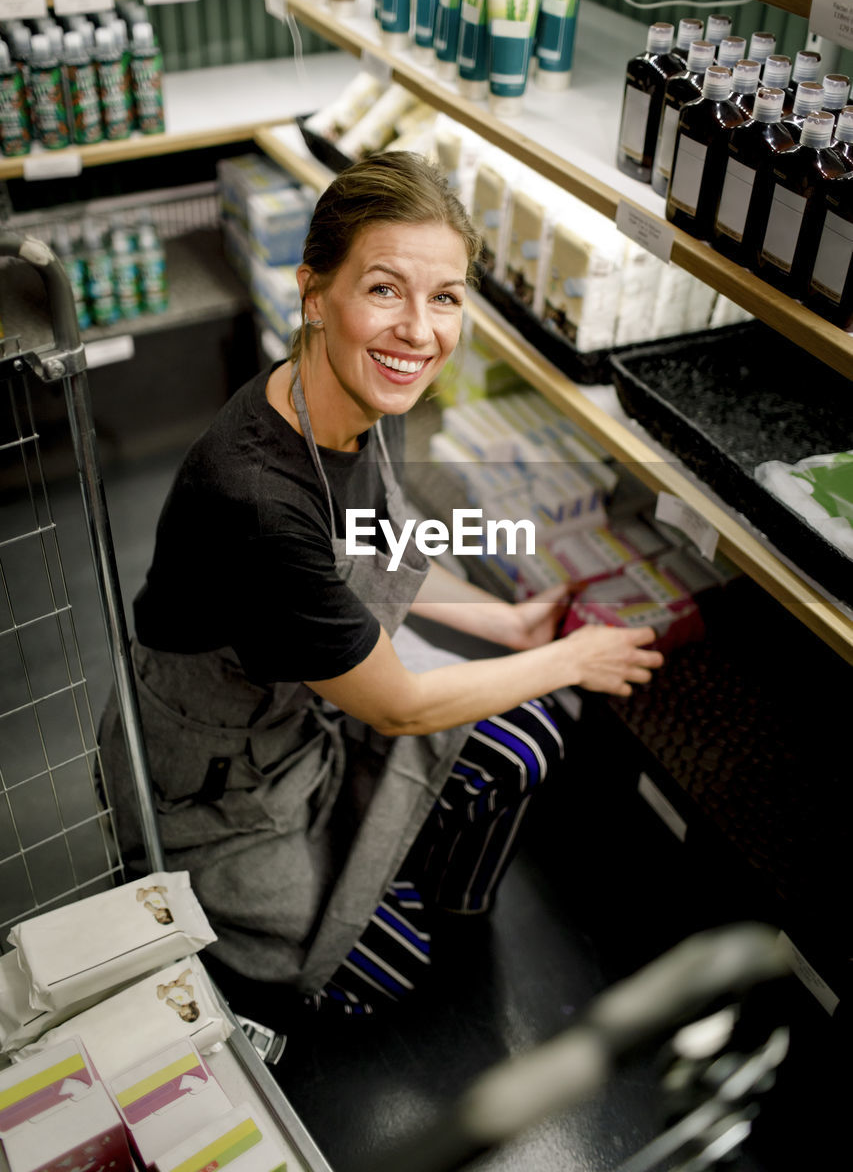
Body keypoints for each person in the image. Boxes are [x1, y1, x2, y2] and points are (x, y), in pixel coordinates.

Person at [99, 152, 662, 1017]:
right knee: (386, 973)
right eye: (386, 289)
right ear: (314, 293)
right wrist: (571, 656)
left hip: (306, 712)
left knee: (526, 739)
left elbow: (376, 544)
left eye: (445, 297)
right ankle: (352, 882)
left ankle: (388, 865)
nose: (420, 331)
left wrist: (510, 623)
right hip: (218, 784)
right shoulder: (258, 497)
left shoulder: (342, 396)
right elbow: (398, 706)